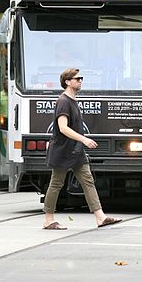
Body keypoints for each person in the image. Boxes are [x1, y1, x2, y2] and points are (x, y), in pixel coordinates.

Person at [43, 68, 121, 230]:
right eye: (77, 79)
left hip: (75, 151)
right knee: (56, 183)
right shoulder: (63, 101)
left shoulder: (72, 101)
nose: (80, 81)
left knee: (88, 181)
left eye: (81, 79)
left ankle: (100, 217)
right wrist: (84, 139)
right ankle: (48, 220)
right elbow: (63, 128)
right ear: (67, 82)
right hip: (62, 150)